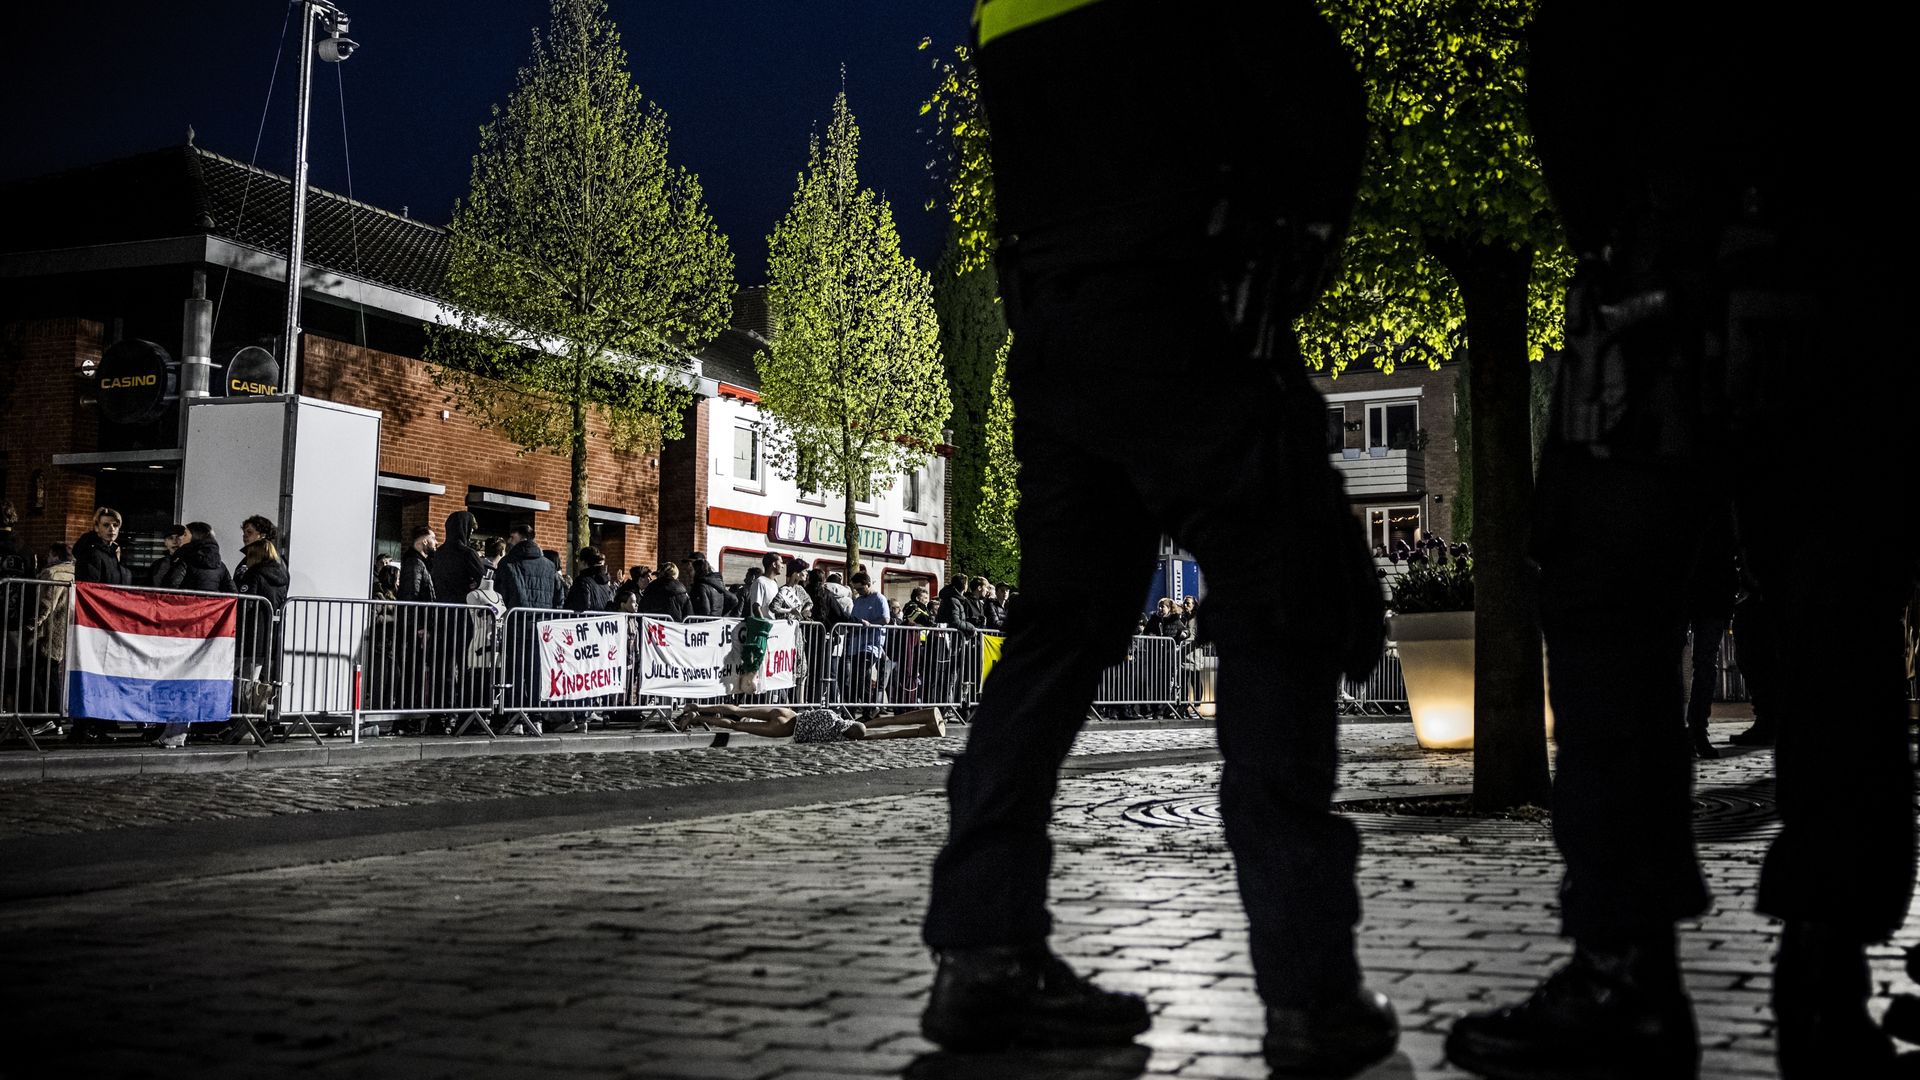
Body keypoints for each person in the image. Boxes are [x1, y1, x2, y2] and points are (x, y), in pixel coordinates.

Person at [920, 3, 1395, 1074]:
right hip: (1191, 304)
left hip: (1054, 326)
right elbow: (1310, 84)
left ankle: (982, 951)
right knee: (1278, 605)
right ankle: (1309, 984)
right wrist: (1288, 256)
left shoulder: (1006, 7)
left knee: (1056, 629)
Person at [1446, 9, 1918, 1080]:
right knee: (1841, 636)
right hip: (1844, 276)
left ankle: (1625, 966)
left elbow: (1570, 69)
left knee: (1609, 618)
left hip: (1661, 274)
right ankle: (1826, 974)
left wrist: (1612, 238)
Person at [149, 522, 235, 747]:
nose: (182, 537)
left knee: (178, 680)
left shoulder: (185, 559)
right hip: (209, 631)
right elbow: (232, 593)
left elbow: (171, 587)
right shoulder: (220, 565)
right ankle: (179, 731)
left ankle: (173, 733)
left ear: (195, 537)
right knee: (193, 681)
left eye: (186, 533)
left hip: (184, 628)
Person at [675, 701, 947, 742]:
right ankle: (698, 718)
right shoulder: (836, 737)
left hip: (788, 713)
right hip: (785, 728)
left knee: (738, 708)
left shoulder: (833, 716)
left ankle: (699, 707)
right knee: (737, 726)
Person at [73, 507, 132, 585]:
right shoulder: (91, 553)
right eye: (106, 525)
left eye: (115, 525)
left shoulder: (115, 552)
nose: (112, 529)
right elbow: (88, 589)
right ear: (97, 528)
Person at [565, 547, 614, 613]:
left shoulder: (582, 581)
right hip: (601, 620)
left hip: (584, 620)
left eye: (578, 559)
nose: (577, 562)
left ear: (584, 562)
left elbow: (580, 605)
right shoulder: (605, 582)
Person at [396, 525, 437, 603]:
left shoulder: (419, 562)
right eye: (433, 538)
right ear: (425, 541)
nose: (436, 542)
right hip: (418, 613)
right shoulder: (414, 563)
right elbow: (411, 594)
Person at [751, 551, 783, 618]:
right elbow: (756, 607)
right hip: (765, 626)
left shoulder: (774, 583)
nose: (782, 566)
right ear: (774, 564)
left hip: (774, 625)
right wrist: (764, 624)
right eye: (781, 563)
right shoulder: (760, 582)